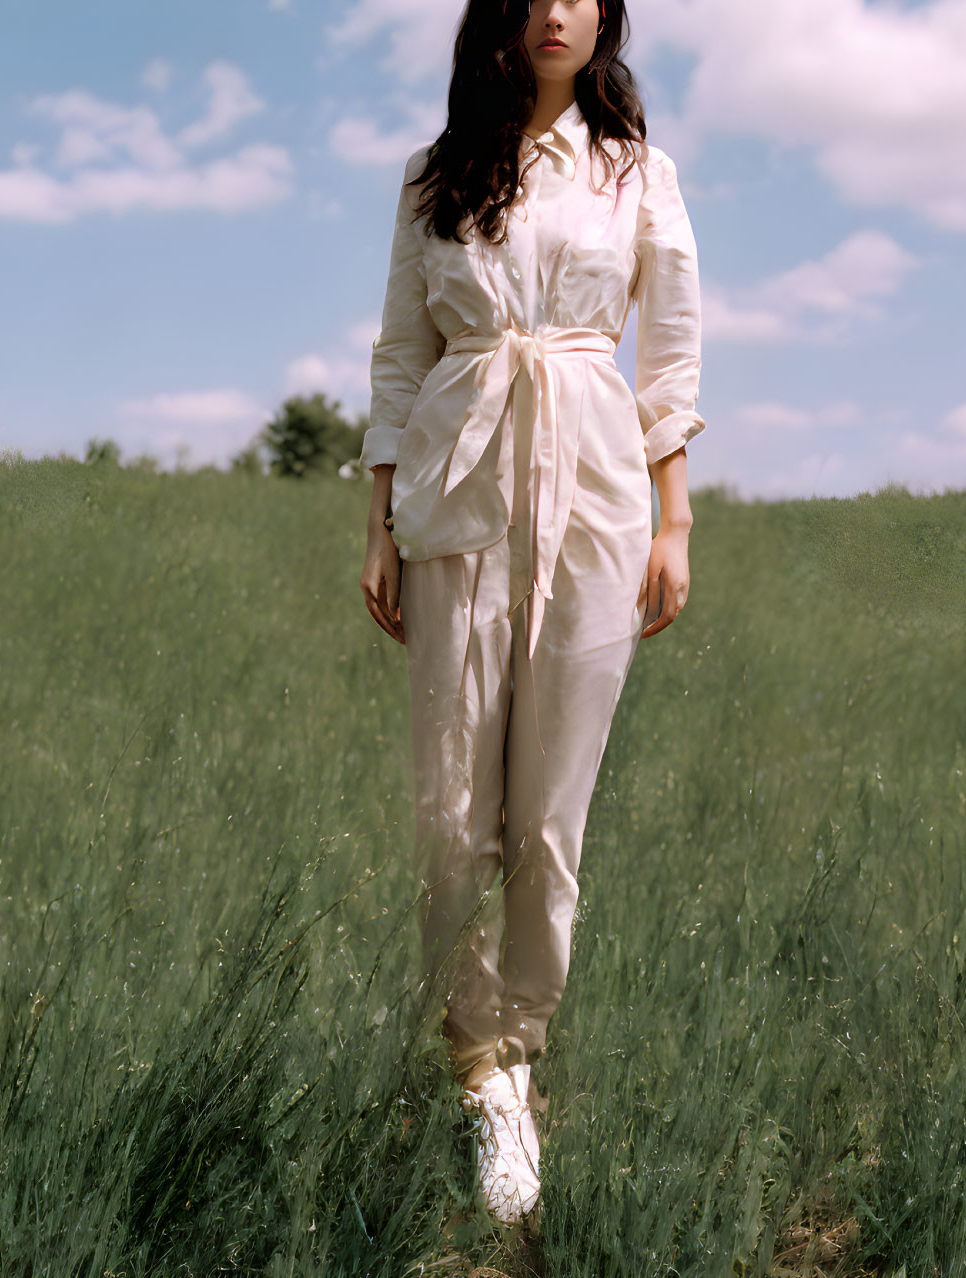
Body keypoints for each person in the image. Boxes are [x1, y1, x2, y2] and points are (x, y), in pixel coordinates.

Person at [356, 0, 703, 1227]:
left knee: (550, 817)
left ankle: (525, 1049)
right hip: (455, 498)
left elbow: (664, 356)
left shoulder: (636, 172)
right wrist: (378, 520)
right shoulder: (430, 172)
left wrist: (672, 523)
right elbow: (402, 356)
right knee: (451, 810)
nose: (557, 10)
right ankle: (477, 1074)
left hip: (598, 496)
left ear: (606, 15)